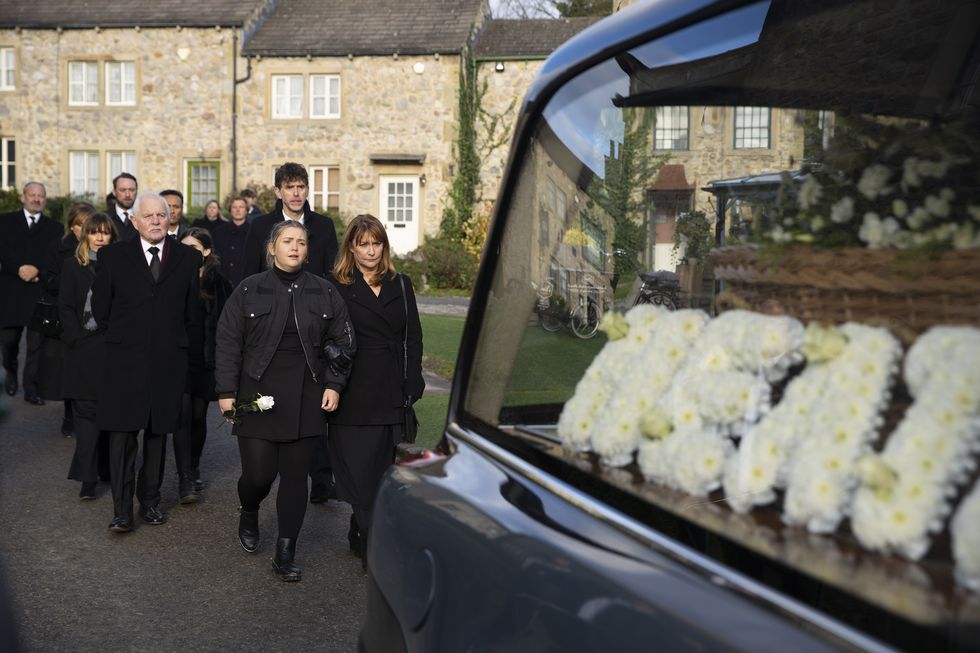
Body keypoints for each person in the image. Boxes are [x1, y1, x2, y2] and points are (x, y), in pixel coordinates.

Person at [215, 220, 355, 582]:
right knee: (259, 475)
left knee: (296, 478)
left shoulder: (325, 292)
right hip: (256, 394)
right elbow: (228, 341)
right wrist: (227, 393)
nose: (295, 247)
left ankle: (285, 551)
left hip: (308, 393)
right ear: (272, 248)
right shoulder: (249, 290)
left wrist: (334, 384)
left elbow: (344, 343)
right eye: (288, 241)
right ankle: (249, 508)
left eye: (302, 242)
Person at [91, 191, 203, 533]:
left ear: (170, 220)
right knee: (123, 437)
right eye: (148, 216)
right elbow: (101, 310)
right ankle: (122, 510)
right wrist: (129, 339)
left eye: (161, 215)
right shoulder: (112, 255)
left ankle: (150, 501)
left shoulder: (187, 258)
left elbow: (191, 313)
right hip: (124, 361)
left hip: (168, 362)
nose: (155, 221)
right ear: (134, 221)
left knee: (157, 435)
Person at [327, 214, 424, 570]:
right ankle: (371, 541)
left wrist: (413, 380)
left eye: (376, 243)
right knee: (359, 471)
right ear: (351, 246)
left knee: (383, 473)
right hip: (351, 390)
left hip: (390, 391)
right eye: (363, 243)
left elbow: (412, 335)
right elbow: (327, 339)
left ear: (384, 245)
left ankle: (361, 527)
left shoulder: (401, 284)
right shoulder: (335, 285)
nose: (370, 250)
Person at [242, 162, 340, 504]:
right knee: (276, 405)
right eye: (290, 187)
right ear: (278, 191)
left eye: (302, 187)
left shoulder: (324, 227)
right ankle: (271, 467)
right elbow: (247, 277)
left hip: (314, 325)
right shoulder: (260, 228)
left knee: (315, 406)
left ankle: (321, 476)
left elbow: (334, 274)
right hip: (272, 327)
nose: (297, 193)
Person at [59, 212, 118, 500]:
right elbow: (66, 307)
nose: (100, 238)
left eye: (105, 233)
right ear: (86, 236)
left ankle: (105, 468)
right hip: (83, 350)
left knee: (109, 414)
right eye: (95, 233)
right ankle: (87, 478)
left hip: (111, 350)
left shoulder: (120, 266)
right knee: (86, 417)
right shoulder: (72, 266)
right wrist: (76, 339)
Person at [172, 227, 232, 501]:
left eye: (194, 247)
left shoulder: (218, 282)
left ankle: (193, 465)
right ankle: (185, 477)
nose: (188, 252)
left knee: (198, 417)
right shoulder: (172, 276)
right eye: (184, 246)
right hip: (178, 359)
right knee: (182, 418)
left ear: (206, 251)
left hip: (207, 360)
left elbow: (230, 324)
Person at [0, 182, 64, 404]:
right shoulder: (5, 222)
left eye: (41, 196)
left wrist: (37, 269)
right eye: (32, 195)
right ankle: (10, 372)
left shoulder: (55, 228)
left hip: (39, 290)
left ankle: (31, 388)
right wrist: (18, 267)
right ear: (23, 197)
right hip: (10, 291)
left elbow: (54, 257)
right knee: (8, 341)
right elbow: (3, 250)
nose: (37, 199)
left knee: (36, 345)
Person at [40, 202, 97, 435]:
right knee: (70, 369)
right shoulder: (59, 248)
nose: (84, 229)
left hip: (94, 316)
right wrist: (70, 280)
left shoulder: (102, 249)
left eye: (88, 224)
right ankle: (70, 415)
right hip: (70, 317)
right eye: (80, 224)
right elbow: (48, 278)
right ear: (72, 226)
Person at [212, 196, 251, 289]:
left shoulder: (253, 232)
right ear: (230, 210)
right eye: (234, 207)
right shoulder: (218, 232)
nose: (238, 210)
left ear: (246, 210)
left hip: (246, 283)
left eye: (241, 207)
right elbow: (214, 257)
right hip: (222, 282)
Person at [107, 173, 138, 241]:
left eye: (132, 190)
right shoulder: (105, 218)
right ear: (114, 192)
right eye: (122, 190)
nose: (127, 194)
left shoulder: (144, 218)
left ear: (137, 191)